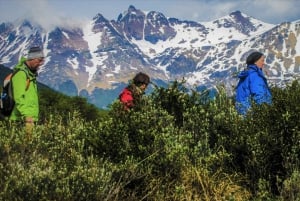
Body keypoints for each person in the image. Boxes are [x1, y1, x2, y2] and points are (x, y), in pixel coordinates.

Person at [9, 46, 45, 135]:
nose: (41, 64)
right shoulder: (21, 74)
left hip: (29, 119)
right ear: (32, 58)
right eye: (39, 60)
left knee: (29, 146)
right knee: (22, 146)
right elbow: (18, 97)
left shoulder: (31, 75)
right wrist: (27, 116)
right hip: (21, 119)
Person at [235, 51, 272, 115]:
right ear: (255, 62)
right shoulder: (255, 76)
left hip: (243, 113)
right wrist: (265, 112)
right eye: (262, 61)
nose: (263, 63)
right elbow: (259, 95)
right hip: (253, 115)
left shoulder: (245, 75)